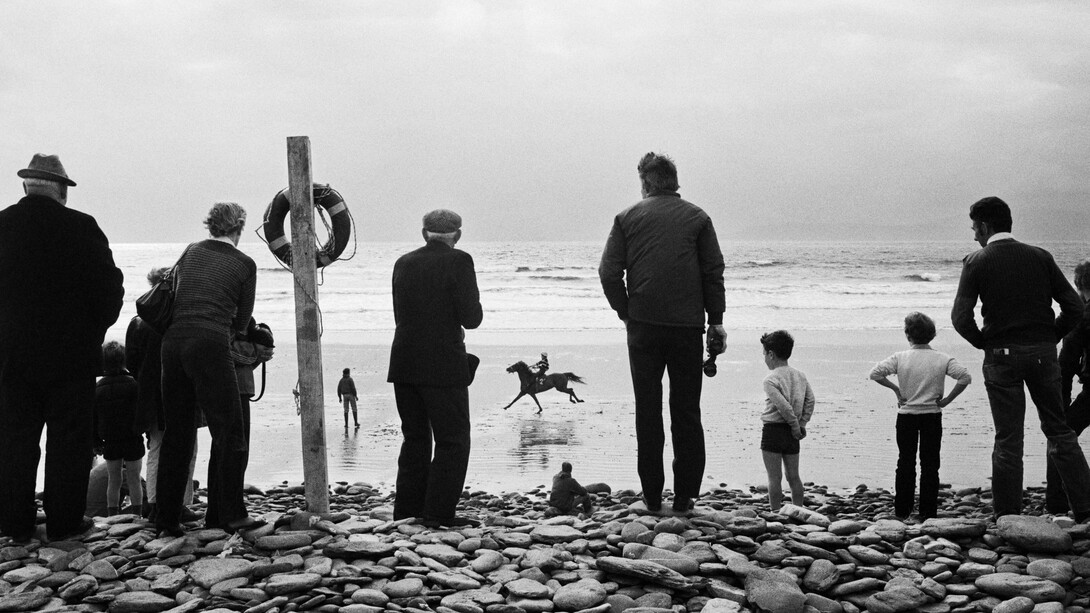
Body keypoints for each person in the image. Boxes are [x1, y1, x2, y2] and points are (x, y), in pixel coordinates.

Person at [0, 154, 124, 542]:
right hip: (71, 357)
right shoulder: (82, 227)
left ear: (26, 186)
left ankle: (15, 522)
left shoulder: (2, 225)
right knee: (69, 441)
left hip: (11, 356)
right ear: (62, 191)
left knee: (14, 439)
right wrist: (92, 333)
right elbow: (110, 291)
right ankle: (64, 521)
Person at [598, 152, 726, 514]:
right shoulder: (698, 217)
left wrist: (626, 312)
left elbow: (608, 272)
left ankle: (652, 495)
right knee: (686, 411)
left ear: (646, 183)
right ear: (673, 182)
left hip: (643, 327)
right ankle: (685, 496)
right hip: (687, 328)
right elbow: (712, 271)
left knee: (648, 410)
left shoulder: (626, 217)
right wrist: (716, 320)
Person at [951, 196, 1090, 521]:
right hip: (1042, 354)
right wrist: (1050, 337)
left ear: (984, 226)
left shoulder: (976, 262)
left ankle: (1008, 514)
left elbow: (960, 317)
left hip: (1001, 357)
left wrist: (985, 343)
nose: (973, 234)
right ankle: (1085, 508)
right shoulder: (1040, 256)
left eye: (974, 227)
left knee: (1008, 438)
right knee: (1059, 430)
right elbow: (1074, 306)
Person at [155, 202, 260, 536]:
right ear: (238, 226)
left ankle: (166, 518)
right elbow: (241, 321)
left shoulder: (191, 251)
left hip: (173, 343)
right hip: (210, 343)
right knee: (229, 432)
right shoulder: (244, 264)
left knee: (177, 433)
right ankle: (229, 514)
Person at [388, 209, 483, 528]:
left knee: (414, 438)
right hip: (443, 364)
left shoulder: (403, 262)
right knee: (453, 440)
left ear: (424, 233)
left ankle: (407, 511)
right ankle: (439, 513)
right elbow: (471, 318)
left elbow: (400, 312)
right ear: (458, 235)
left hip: (404, 361)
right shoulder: (460, 260)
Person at [869, 312, 971, 520]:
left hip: (906, 415)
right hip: (932, 415)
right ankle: (927, 512)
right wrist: (947, 400)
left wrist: (896, 389)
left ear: (908, 334)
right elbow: (964, 377)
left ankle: (902, 510)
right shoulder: (942, 358)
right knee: (930, 464)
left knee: (905, 462)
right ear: (932, 334)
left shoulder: (900, 357)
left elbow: (875, 373)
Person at [1045, 259, 1090, 514]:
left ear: (1079, 283)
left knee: (1060, 436)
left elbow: (1067, 361)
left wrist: (1061, 401)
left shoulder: (1083, 315)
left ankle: (1057, 503)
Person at [759, 330, 815, 512]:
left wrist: (795, 425)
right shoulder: (800, 375)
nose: (764, 359)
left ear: (771, 354)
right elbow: (810, 400)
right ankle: (798, 510)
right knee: (793, 476)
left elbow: (783, 407)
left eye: (764, 354)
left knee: (774, 478)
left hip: (773, 430)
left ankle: (775, 512)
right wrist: (801, 423)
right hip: (792, 432)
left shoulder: (770, 379)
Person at [226, 318, 274, 521]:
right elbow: (225, 350)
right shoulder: (233, 315)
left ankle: (229, 508)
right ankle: (232, 511)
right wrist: (257, 350)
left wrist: (257, 353)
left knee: (236, 450)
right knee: (236, 450)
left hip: (238, 387)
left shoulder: (239, 317)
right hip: (234, 388)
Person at [93, 341, 144, 517]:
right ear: (124, 360)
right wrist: (145, 432)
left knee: (113, 481)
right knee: (134, 479)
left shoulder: (98, 388)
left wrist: (95, 441)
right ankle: (137, 514)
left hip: (111, 440)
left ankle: (112, 516)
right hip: (132, 437)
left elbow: (93, 418)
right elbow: (141, 413)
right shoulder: (134, 384)